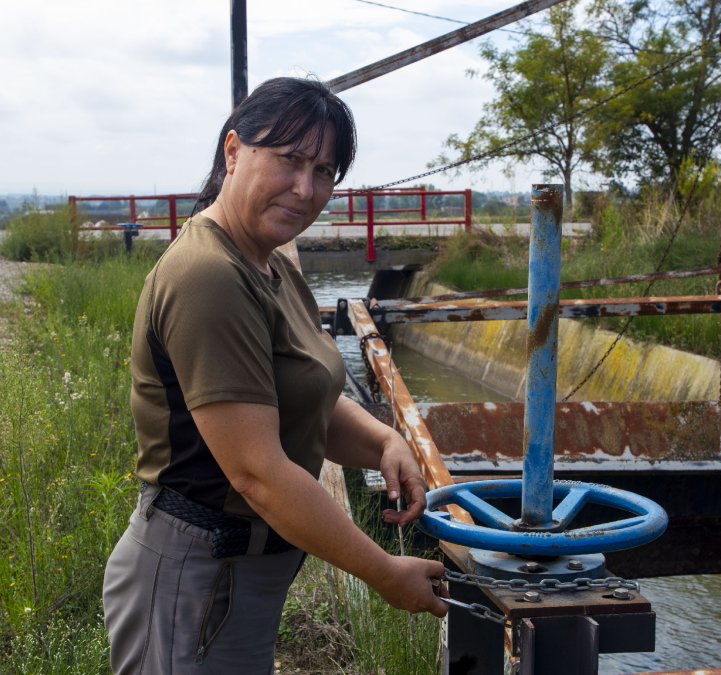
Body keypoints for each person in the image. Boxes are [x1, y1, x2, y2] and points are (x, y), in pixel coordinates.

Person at [103, 76, 447, 674]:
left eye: (324, 171)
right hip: (195, 576)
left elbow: (302, 397)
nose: (305, 188)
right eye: (290, 160)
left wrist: (385, 441)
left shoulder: (269, 266)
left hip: (236, 576)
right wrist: (385, 573)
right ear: (233, 152)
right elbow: (257, 474)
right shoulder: (208, 275)